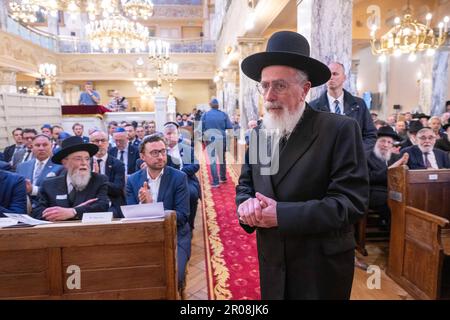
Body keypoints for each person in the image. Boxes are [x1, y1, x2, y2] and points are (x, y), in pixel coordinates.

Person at [235, 31, 369, 299]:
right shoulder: (261, 132)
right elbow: (246, 184)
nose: (269, 95)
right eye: (265, 86)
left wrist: (282, 215)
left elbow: (350, 203)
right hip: (273, 260)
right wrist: (245, 204)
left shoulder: (339, 129)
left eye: (280, 86)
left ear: (305, 89)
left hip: (318, 267)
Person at [126, 134, 191, 293]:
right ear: (142, 156)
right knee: (133, 277)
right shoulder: (133, 180)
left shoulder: (179, 177)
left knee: (175, 277)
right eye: (154, 153)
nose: (161, 156)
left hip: (175, 236)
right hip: (144, 237)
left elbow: (182, 216)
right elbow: (130, 217)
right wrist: (143, 205)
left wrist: (151, 206)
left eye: (163, 151)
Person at [32, 136, 110, 221]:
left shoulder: (99, 180)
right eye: (78, 159)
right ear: (65, 162)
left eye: (87, 159)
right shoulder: (49, 185)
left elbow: (102, 206)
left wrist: (73, 212)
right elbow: (37, 212)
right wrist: (57, 214)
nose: (84, 163)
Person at [309, 61, 377, 152]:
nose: (331, 77)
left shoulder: (359, 105)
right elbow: (309, 138)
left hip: (353, 160)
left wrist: (358, 154)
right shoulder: (313, 106)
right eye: (328, 74)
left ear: (344, 78)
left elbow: (370, 134)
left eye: (335, 74)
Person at [366, 127, 409, 228]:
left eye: (389, 142)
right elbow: (369, 177)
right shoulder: (367, 157)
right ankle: (394, 230)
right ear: (376, 142)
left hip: (395, 191)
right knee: (393, 200)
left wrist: (404, 168)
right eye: (382, 141)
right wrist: (392, 169)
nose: (385, 145)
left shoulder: (396, 157)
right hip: (374, 192)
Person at [164, 122, 200, 231]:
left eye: (173, 133)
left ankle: (189, 224)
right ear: (164, 135)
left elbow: (195, 165)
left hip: (185, 179)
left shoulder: (186, 148)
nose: (170, 136)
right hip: (165, 180)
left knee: (192, 194)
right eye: (168, 133)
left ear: (178, 134)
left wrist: (181, 172)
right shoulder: (161, 150)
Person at [16, 134, 64, 210]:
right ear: (32, 147)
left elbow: (58, 192)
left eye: (45, 145)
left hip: (47, 209)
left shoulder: (60, 166)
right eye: (37, 145)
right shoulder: (22, 167)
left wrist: (33, 190)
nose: (41, 148)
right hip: (23, 209)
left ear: (51, 146)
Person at [90, 130, 125, 218]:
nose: (100, 144)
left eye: (103, 140)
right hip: (90, 202)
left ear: (108, 143)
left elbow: (117, 189)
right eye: (96, 141)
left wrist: (98, 178)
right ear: (90, 143)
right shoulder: (85, 164)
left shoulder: (117, 164)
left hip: (111, 202)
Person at [201, 98, 233, 187]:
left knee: (213, 161)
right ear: (218, 105)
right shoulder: (223, 114)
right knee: (222, 159)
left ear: (210, 105)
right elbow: (229, 126)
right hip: (221, 139)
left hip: (210, 139)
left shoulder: (206, 115)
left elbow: (200, 128)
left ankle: (215, 182)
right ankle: (223, 177)